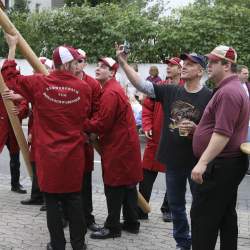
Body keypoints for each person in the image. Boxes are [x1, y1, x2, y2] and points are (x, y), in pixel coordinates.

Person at [116, 45, 212, 250]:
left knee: (200, 207)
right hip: (174, 161)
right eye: (184, 63)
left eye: (190, 64)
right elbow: (142, 85)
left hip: (198, 161)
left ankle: (201, 243)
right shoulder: (170, 90)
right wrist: (123, 63)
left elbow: (216, 130)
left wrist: (197, 129)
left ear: (201, 71)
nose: (184, 66)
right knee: (176, 207)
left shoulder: (210, 97)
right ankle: (183, 243)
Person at [2, 33, 91, 250]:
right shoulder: (84, 88)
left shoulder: (39, 83)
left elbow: (10, 77)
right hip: (73, 155)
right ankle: (79, 245)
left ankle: (57, 245)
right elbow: (84, 116)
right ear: (69, 64)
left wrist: (12, 47)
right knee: (74, 200)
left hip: (48, 155)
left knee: (51, 202)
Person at [191, 45, 250, 250]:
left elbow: (223, 133)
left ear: (227, 65)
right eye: (209, 61)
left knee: (203, 221)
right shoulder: (230, 89)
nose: (209, 65)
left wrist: (202, 162)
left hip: (220, 165)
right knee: (225, 217)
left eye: (214, 62)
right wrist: (199, 130)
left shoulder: (228, 92)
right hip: (227, 164)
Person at [84, 57, 143, 239]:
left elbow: (102, 123)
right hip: (124, 145)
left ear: (112, 72)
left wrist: (82, 122)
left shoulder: (110, 92)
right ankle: (132, 223)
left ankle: (112, 228)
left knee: (114, 186)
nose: (99, 69)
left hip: (118, 147)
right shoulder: (112, 89)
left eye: (104, 67)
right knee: (128, 185)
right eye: (99, 66)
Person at [138, 57, 184, 222]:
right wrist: (148, 126)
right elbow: (147, 108)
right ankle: (141, 209)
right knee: (146, 175)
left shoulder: (185, 89)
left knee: (174, 178)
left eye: (173, 65)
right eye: (168, 65)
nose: (169, 67)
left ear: (180, 69)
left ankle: (168, 209)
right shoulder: (160, 87)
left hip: (175, 142)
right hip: (156, 139)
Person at [21, 57, 53, 208]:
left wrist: (34, 132)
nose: (34, 72)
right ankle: (37, 195)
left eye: (37, 69)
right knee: (34, 162)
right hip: (35, 129)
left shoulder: (47, 85)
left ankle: (47, 199)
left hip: (43, 133)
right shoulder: (37, 84)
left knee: (44, 165)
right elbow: (25, 98)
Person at [75, 48, 102, 232]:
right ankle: (63, 216)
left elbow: (98, 110)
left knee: (85, 181)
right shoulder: (61, 80)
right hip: (66, 142)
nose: (78, 64)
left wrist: (92, 133)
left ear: (85, 63)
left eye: (81, 61)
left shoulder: (92, 84)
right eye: (75, 60)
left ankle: (87, 217)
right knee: (64, 182)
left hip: (84, 142)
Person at [0, 80, 28, 194]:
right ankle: (15, 184)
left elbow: (24, 101)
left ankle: (15, 184)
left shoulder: (18, 85)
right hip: (3, 127)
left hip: (14, 128)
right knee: (15, 158)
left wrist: (20, 110)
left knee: (15, 157)